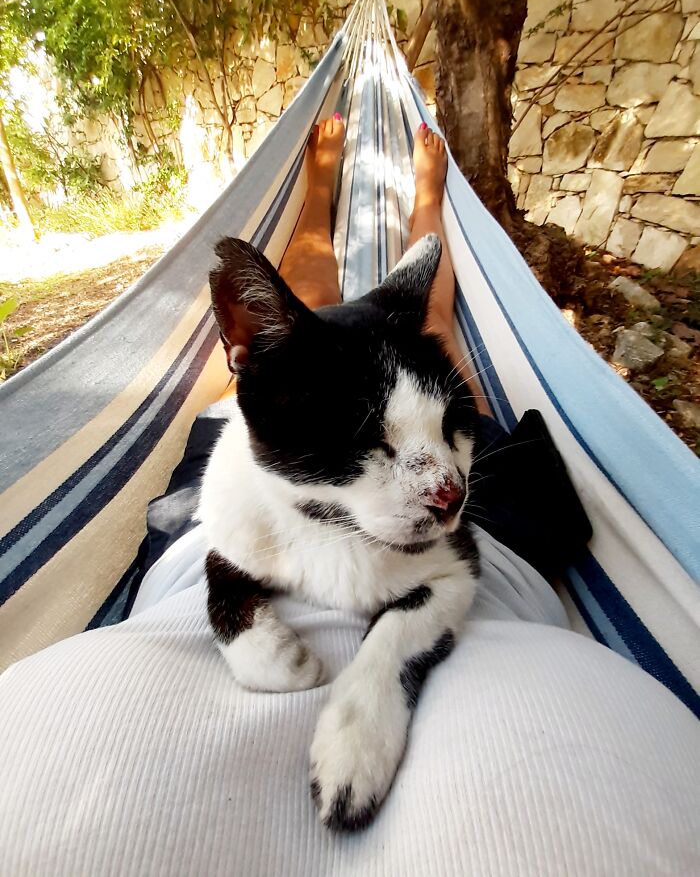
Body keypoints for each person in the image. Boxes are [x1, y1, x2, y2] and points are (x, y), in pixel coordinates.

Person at [0, 119, 697, 877]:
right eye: (387, 449)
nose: (447, 495)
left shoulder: (439, 470)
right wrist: (232, 619)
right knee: (307, 302)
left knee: (425, 337)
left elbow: (445, 556)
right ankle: (319, 193)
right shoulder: (242, 478)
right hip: (279, 468)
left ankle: (427, 211)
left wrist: (383, 671)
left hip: (404, 454)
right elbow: (227, 551)